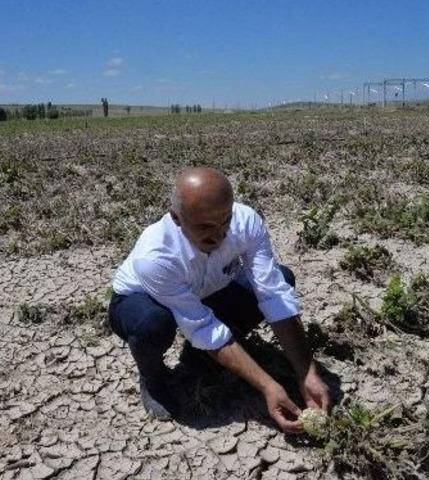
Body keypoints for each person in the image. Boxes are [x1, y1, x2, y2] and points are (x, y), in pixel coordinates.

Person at [108, 167, 330, 433]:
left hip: (205, 291)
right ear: (176, 218)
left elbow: (273, 293)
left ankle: (198, 355)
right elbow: (202, 326)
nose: (219, 234)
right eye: (204, 226)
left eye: (225, 220)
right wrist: (269, 387)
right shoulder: (156, 256)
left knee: (283, 277)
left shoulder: (246, 222)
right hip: (143, 300)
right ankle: (152, 378)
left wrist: (306, 372)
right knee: (153, 324)